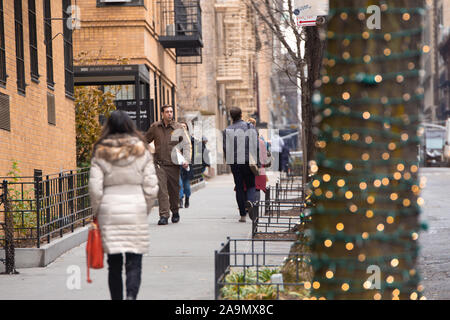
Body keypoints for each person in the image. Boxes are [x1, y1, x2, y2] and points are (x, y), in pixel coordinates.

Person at [88, 110, 159, 300]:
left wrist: (98, 211)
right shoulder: (142, 150)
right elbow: (151, 187)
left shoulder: (100, 151)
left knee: (114, 263)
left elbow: (95, 188)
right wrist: (145, 208)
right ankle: (131, 297)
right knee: (135, 260)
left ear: (108, 127)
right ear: (130, 126)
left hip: (109, 211)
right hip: (136, 208)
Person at [145, 105, 192, 225]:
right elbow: (145, 140)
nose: (170, 114)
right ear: (162, 113)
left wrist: (186, 159)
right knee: (162, 191)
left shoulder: (178, 127)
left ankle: (175, 211)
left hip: (174, 165)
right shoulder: (155, 127)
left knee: (174, 191)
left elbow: (187, 145)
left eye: (171, 112)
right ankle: (164, 215)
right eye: (167, 112)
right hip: (159, 164)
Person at [223, 107, 258, 222]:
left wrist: (229, 162)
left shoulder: (227, 130)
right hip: (248, 160)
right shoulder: (250, 126)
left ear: (231, 116)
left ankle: (243, 215)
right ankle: (251, 202)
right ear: (241, 115)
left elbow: (225, 148)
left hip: (235, 162)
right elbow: (256, 144)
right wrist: (256, 159)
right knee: (251, 185)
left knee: (239, 187)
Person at [247, 118, 268, 201]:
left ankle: (247, 205)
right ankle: (255, 205)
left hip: (246, 165)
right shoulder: (261, 142)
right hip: (258, 167)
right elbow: (264, 158)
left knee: (246, 186)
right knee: (257, 186)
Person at [179, 121, 194, 209]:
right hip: (177, 163)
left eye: (184, 127)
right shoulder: (176, 138)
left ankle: (187, 198)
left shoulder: (190, 139)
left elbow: (193, 151)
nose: (183, 128)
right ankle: (180, 199)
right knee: (179, 182)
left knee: (186, 183)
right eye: (181, 126)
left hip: (187, 163)